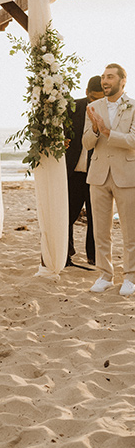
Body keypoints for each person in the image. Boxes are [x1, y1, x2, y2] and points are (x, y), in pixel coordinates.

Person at [83, 64, 135, 295]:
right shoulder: (93, 107)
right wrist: (94, 130)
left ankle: (130, 277)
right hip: (99, 175)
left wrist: (106, 132)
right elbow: (86, 144)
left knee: (130, 230)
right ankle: (105, 275)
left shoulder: (133, 107)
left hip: (127, 175)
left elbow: (133, 141)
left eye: (110, 77)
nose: (105, 81)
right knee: (100, 231)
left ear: (123, 81)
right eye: (103, 77)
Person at [65, 76, 103, 267]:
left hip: (96, 173)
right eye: (92, 98)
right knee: (68, 215)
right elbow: (60, 132)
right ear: (86, 92)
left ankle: (93, 256)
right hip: (73, 172)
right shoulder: (72, 107)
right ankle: (66, 252)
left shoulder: (108, 110)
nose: (95, 102)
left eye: (99, 98)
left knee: (95, 217)